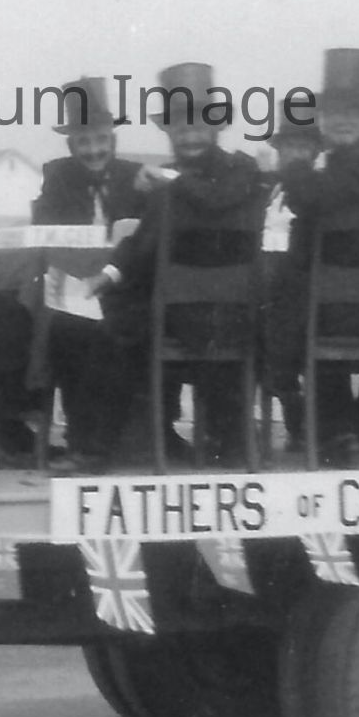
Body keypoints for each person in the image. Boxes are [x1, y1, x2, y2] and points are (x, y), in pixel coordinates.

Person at [88, 63, 269, 466]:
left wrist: (168, 183)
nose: (189, 136)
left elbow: (215, 200)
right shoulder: (167, 183)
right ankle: (136, 437)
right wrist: (110, 272)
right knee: (108, 320)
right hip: (188, 314)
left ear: (218, 127)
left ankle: (110, 446)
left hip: (223, 315)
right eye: (179, 127)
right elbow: (143, 240)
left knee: (121, 327)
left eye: (199, 126)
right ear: (168, 132)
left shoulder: (240, 169)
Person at [256, 48, 359, 465]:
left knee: (278, 314)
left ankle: (333, 430)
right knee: (286, 303)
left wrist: (291, 168)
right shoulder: (353, 160)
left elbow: (308, 196)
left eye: (352, 113)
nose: (341, 120)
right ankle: (337, 425)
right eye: (334, 112)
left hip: (354, 308)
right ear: (321, 119)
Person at [27, 77, 153, 473]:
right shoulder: (57, 176)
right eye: (84, 142)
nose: (94, 150)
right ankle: (83, 442)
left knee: (112, 328)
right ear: (71, 144)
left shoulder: (138, 176)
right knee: (65, 326)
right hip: (77, 288)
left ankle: (115, 442)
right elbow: (44, 226)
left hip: (127, 290)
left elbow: (150, 238)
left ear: (112, 138)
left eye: (100, 139)